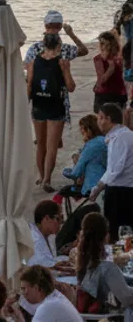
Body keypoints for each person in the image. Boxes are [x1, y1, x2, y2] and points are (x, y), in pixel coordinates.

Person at [29, 33, 76, 192]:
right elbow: (71, 86)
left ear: (43, 44)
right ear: (58, 45)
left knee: (40, 145)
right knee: (52, 147)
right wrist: (66, 69)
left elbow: (29, 86)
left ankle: (41, 176)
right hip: (56, 107)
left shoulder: (34, 61)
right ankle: (47, 180)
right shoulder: (62, 62)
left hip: (38, 106)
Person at [89, 102, 133, 242]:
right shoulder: (123, 135)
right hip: (126, 190)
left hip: (121, 192)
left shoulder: (119, 138)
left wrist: (97, 188)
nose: (98, 121)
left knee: (117, 233)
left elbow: (115, 170)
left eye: (100, 117)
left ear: (108, 119)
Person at [75, 213, 133, 314]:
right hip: (109, 316)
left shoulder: (85, 261)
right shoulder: (107, 267)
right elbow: (127, 298)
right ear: (106, 235)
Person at [63, 115, 107, 200]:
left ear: (89, 130)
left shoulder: (91, 145)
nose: (81, 131)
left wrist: (66, 171)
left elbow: (75, 173)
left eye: (82, 129)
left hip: (93, 185)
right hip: (107, 182)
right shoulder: (105, 140)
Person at [93, 31, 127, 112]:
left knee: (104, 121)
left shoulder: (99, 59)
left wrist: (111, 67)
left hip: (106, 95)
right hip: (118, 92)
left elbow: (102, 80)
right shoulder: (119, 57)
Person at [26, 199, 64, 268]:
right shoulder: (35, 239)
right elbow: (37, 266)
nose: (61, 222)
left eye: (62, 218)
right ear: (46, 218)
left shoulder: (48, 236)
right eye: (58, 218)